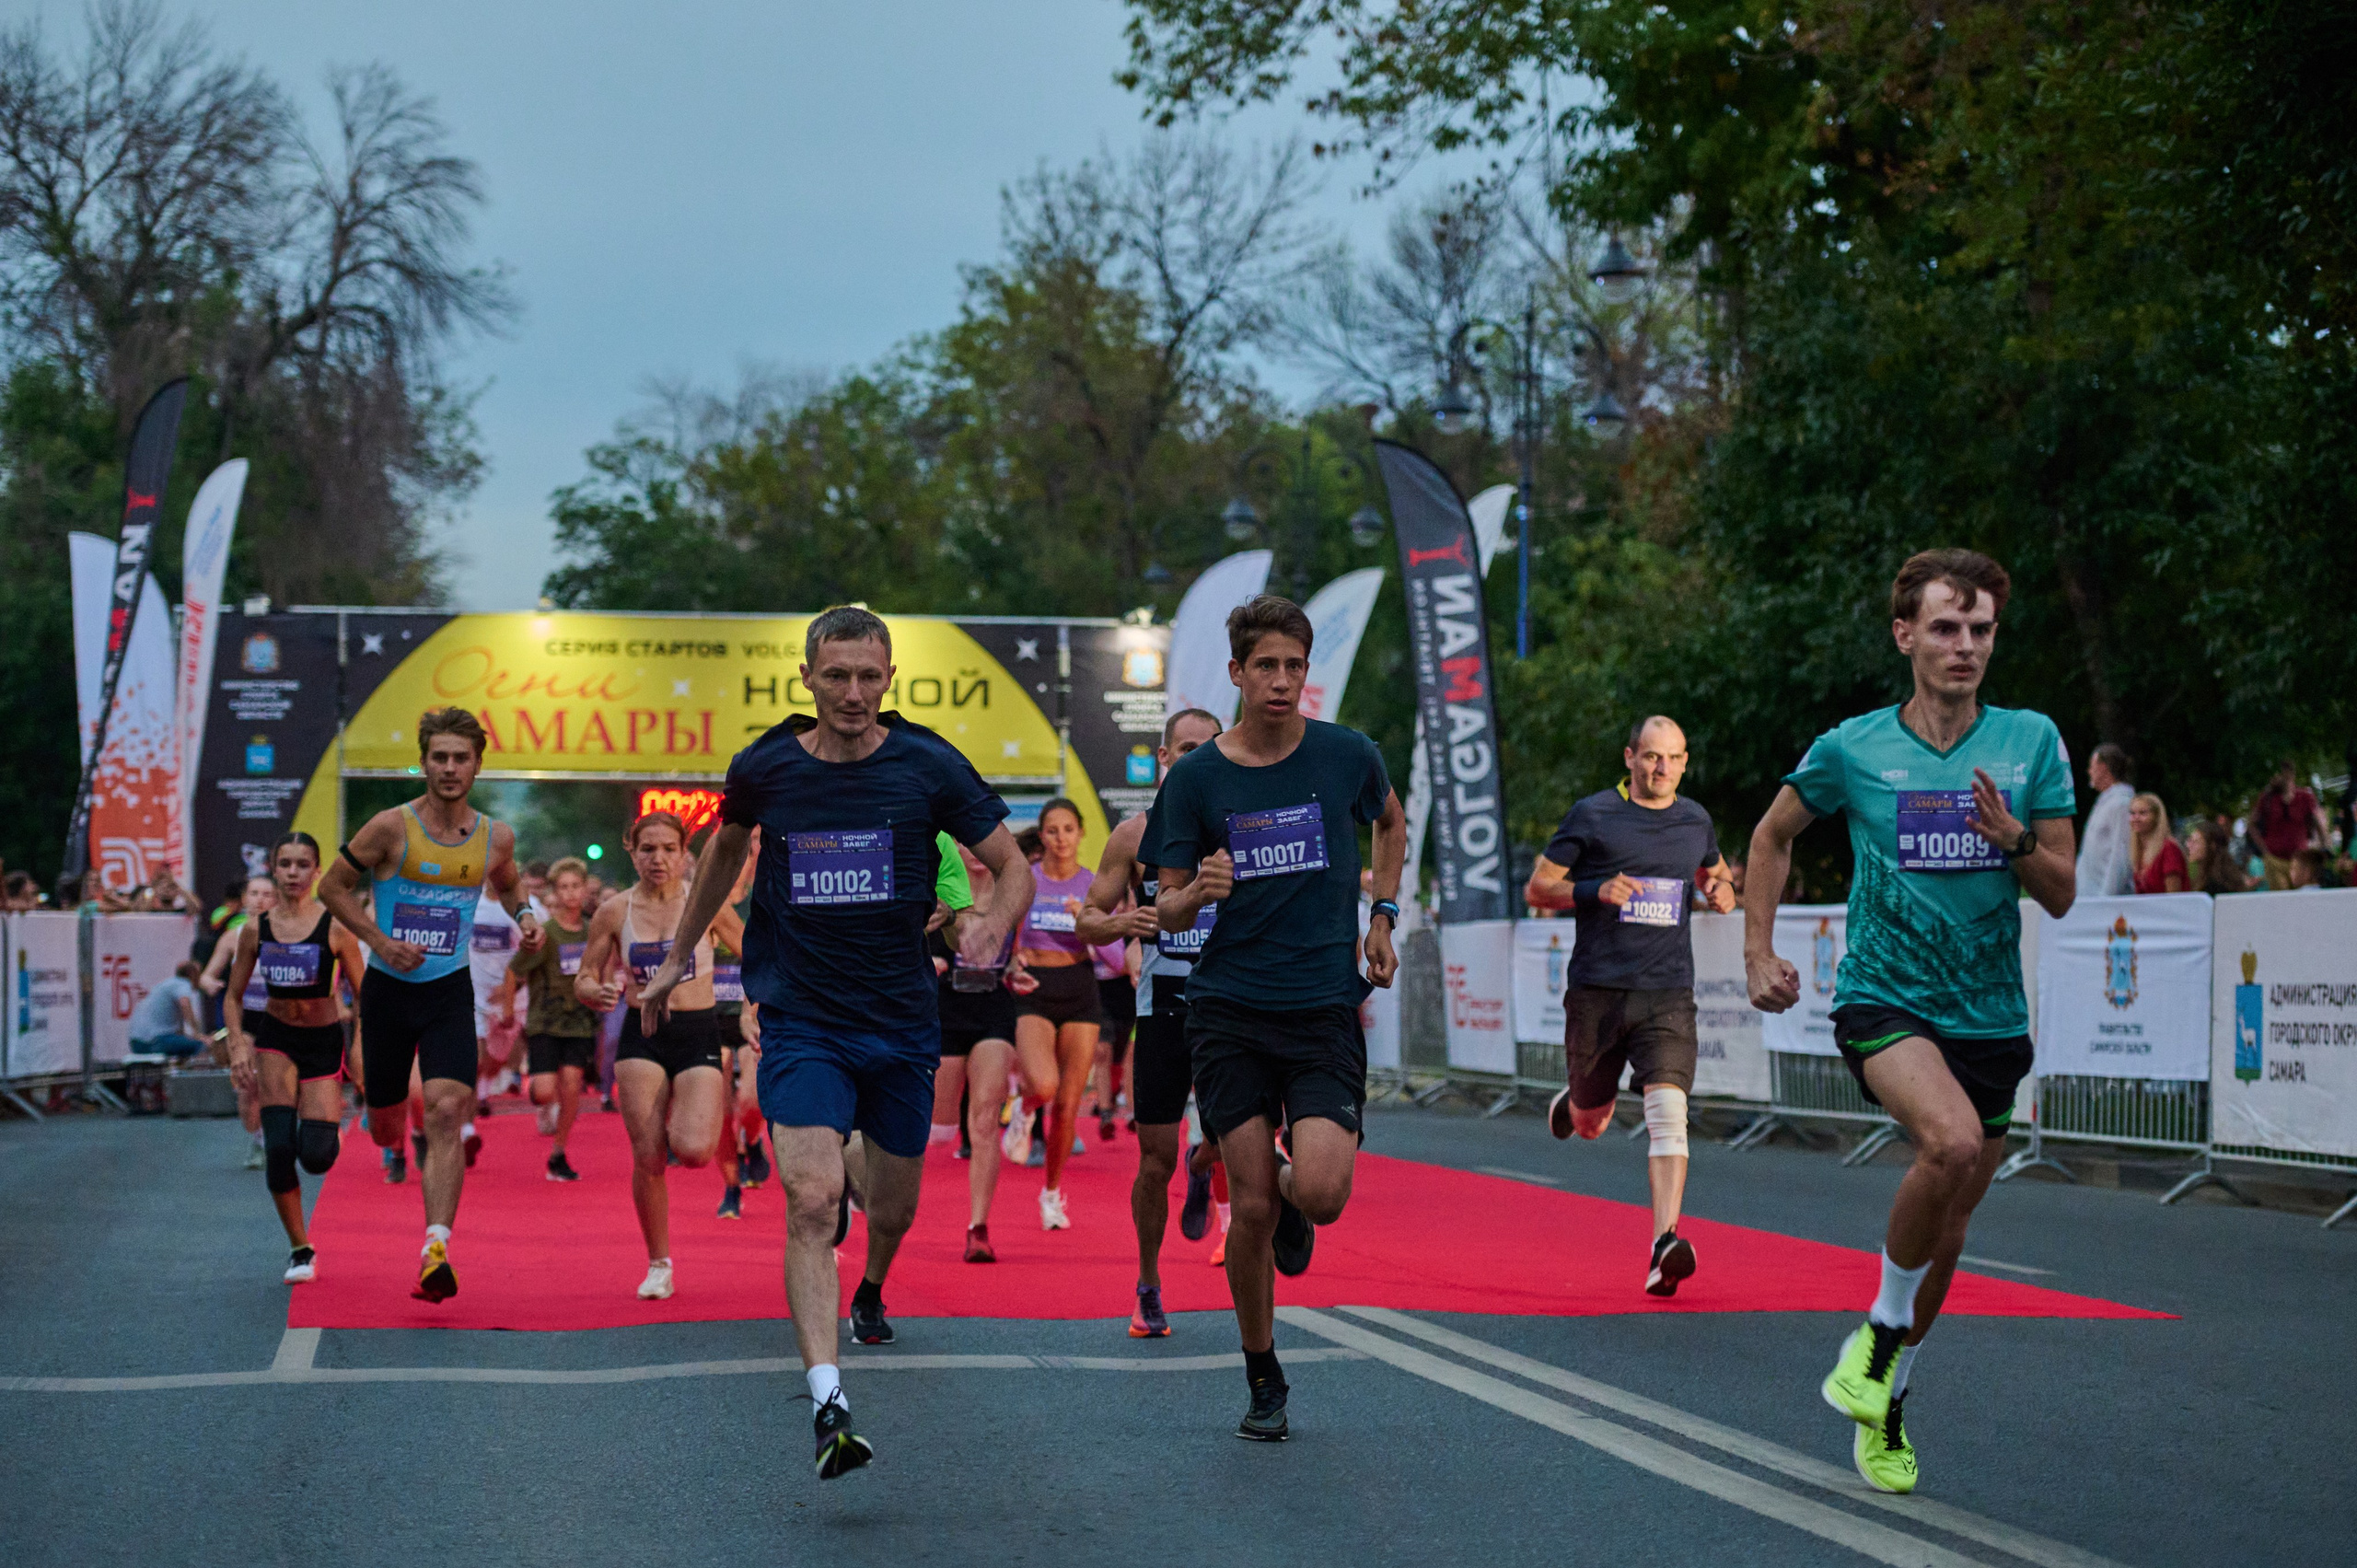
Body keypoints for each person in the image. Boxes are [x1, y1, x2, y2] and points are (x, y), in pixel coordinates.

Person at [636, 605, 1031, 1481]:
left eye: (868, 675)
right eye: (836, 675)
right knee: (812, 1200)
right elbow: (723, 854)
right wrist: (673, 961)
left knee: (890, 1206)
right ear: (806, 678)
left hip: (900, 1025)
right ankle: (829, 1401)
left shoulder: (926, 763)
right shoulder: (767, 766)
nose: (852, 692)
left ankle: (873, 1270)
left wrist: (989, 927)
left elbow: (1014, 866)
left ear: (890, 679)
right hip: (803, 1018)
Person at [1745, 549, 2076, 1497]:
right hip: (1884, 995)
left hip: (1989, 1016)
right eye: (1943, 626)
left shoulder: (2030, 741)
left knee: (1952, 1225)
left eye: (1978, 630)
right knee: (1948, 1143)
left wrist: (2010, 836)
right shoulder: (1853, 746)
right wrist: (1755, 951)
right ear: (1905, 635)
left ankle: (1886, 1389)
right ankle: (1878, 1339)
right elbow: (1771, 835)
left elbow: (2057, 891)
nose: (1963, 645)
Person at [1147, 594, 1407, 1443]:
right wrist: (1196, 893)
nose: (1283, 680)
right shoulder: (1197, 780)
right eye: (1267, 665)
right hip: (1226, 1012)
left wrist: (1381, 914)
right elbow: (1167, 910)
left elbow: (1391, 822)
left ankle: (1297, 1199)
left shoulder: (1346, 755)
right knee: (1252, 1205)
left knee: (1322, 1192)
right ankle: (1263, 1371)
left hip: (1322, 1005)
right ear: (1237, 673)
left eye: (1296, 665)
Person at [318, 707, 541, 1303]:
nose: (449, 767)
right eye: (438, 756)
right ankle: (383, 1119)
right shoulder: (391, 827)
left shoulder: (495, 835)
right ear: (424, 761)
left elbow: (509, 880)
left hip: (449, 991)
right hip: (388, 992)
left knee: (445, 1109)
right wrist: (379, 940)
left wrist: (524, 916)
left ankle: (435, 1247)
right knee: (389, 1126)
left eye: (460, 757)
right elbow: (331, 887)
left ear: (477, 764)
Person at [1524, 714, 1736, 1296]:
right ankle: (1577, 1104)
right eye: (1650, 757)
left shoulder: (1695, 820)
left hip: (1668, 993)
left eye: (1671, 758)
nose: (1660, 768)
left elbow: (1716, 875)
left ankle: (1663, 1243)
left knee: (1669, 1116)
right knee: (1593, 1124)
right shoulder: (1593, 816)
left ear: (1684, 763)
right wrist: (1594, 890)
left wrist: (1720, 891)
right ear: (1629, 758)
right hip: (1597, 991)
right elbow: (1538, 887)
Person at [1078, 706, 1225, 1338]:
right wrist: (1122, 924)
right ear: (1163, 757)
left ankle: (1206, 1160)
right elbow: (1086, 916)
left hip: (1229, 1004)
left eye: (1207, 748)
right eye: (1184, 747)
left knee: (1235, 1144)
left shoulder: (1239, 830)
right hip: (1162, 1004)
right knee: (1154, 1158)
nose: (1194, 757)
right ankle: (1148, 1282)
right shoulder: (1135, 835)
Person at [576, 810, 744, 1300]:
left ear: (684, 852)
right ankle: (659, 1264)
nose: (659, 859)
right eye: (648, 849)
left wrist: (753, 1011)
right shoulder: (614, 910)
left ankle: (682, 1115)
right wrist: (596, 991)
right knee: (648, 1156)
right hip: (641, 1036)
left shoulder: (706, 902)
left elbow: (752, 957)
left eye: (669, 849)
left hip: (698, 1031)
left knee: (693, 1151)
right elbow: (587, 974)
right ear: (631, 851)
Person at [222, 832, 368, 1283]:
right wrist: (236, 1044)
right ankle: (300, 1248)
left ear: (316, 871)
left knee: (317, 1155)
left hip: (323, 1038)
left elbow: (365, 996)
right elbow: (233, 996)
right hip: (275, 1037)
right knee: (280, 1147)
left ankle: (329, 1120)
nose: (292, 873)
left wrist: (359, 1044)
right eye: (284, 864)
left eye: (302, 864)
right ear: (273, 867)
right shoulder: (256, 928)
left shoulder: (335, 926)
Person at [1000, 797, 1106, 1232]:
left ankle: (1051, 1194)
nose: (1061, 838)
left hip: (1080, 988)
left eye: (1068, 829)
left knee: (1067, 1107)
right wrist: (1008, 963)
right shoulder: (1027, 881)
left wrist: (1088, 924)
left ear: (1081, 833)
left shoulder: (1094, 885)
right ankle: (1023, 1111)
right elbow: (1005, 934)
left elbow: (1115, 957)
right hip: (1034, 989)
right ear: (1040, 836)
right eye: (1052, 830)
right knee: (1044, 1084)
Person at [929, 841, 1020, 1260]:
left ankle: (978, 1227)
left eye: (980, 842)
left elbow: (1017, 953)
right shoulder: (942, 894)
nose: (974, 852)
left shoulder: (1011, 893)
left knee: (984, 1119)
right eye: (963, 843)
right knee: (935, 1131)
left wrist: (1018, 971)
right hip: (945, 1013)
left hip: (994, 1013)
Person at [511, 856, 600, 1180]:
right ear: (554, 892)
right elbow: (514, 969)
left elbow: (604, 967)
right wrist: (508, 1008)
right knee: (545, 1091)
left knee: (573, 1085)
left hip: (579, 1021)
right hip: (545, 1020)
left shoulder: (594, 931)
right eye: (563, 887)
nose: (571, 893)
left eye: (576, 886)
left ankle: (558, 1152)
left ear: (585, 889)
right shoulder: (545, 933)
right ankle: (545, 1103)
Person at [202, 876, 278, 1168]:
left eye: (267, 894)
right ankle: (258, 1137)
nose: (260, 899)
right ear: (244, 898)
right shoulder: (232, 938)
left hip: (278, 1021)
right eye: (254, 893)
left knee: (275, 1086)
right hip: (245, 1023)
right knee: (248, 1090)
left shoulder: (287, 934)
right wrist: (210, 983)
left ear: (277, 899)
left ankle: (273, 1140)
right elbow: (209, 973)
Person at [2252, 761, 2328, 889]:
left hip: (2300, 859)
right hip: (2275, 859)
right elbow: (2252, 824)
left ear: (2290, 774)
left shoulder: (2305, 797)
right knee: (2282, 899)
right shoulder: (2267, 799)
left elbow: (2317, 822)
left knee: (2302, 897)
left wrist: (2324, 846)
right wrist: (2264, 849)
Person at [2075, 744, 2134, 898]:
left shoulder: (2121, 804)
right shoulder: (2104, 803)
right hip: (2089, 896)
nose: (2089, 771)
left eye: (2092, 766)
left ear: (2103, 768)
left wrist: (2107, 898)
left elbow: (2120, 854)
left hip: (2104, 898)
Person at [129, 960, 210, 1058]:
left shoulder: (166, 984)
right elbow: (185, 1004)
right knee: (201, 1046)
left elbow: (178, 1032)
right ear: (192, 974)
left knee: (185, 1045)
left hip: (137, 1043)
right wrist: (198, 1035)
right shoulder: (182, 984)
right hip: (155, 1042)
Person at [2129, 793, 2189, 895]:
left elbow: (2174, 896)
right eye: (2133, 813)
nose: (2136, 818)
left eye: (2143, 813)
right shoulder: (2139, 851)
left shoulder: (2169, 849)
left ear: (2156, 817)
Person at [2185, 818, 2251, 896]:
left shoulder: (2215, 884)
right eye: (2190, 840)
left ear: (2212, 846)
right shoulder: (2217, 877)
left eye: (2196, 842)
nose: (2188, 845)